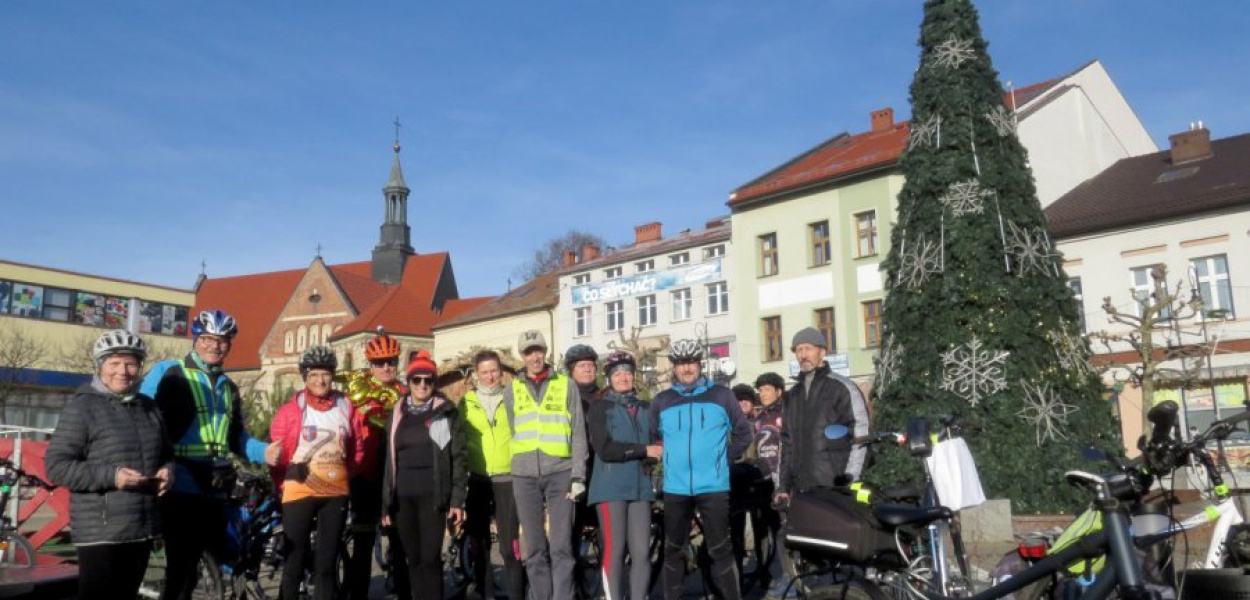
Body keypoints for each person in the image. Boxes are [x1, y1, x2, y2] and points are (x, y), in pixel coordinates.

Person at [140, 309, 268, 600]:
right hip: (180, 480)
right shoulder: (168, 372)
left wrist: (267, 451)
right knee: (182, 567)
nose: (215, 345)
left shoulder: (228, 387)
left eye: (222, 340)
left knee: (217, 557)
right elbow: (142, 418)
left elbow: (237, 439)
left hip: (216, 482)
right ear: (195, 339)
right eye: (208, 338)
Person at [46, 330, 174, 600]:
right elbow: (57, 466)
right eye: (114, 363)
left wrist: (167, 471)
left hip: (141, 528)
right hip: (100, 532)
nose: (123, 371)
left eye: (131, 363)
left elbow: (165, 453)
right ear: (100, 366)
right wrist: (113, 477)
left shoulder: (148, 407)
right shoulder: (83, 407)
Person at [650, 339, 752, 600]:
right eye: (681, 364)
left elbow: (743, 434)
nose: (686, 369)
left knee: (720, 550)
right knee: (673, 550)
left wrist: (721, 460)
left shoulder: (721, 395)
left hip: (714, 487)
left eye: (691, 363)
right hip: (676, 487)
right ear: (674, 367)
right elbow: (653, 440)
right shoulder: (662, 400)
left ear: (700, 364)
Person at [265, 346, 367, 600]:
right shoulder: (290, 411)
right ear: (305, 378)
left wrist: (345, 475)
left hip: (335, 493)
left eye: (326, 374)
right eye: (313, 375)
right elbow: (276, 456)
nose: (320, 381)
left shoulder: (346, 407)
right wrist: (283, 484)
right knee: (294, 562)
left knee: (326, 565)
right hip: (299, 491)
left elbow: (357, 448)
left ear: (332, 376)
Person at [504, 329, 589, 600]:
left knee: (562, 546)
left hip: (560, 474)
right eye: (529, 352)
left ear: (545, 352)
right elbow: (512, 426)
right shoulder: (512, 389)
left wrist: (579, 476)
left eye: (538, 350)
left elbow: (578, 432)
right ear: (522, 355)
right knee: (534, 548)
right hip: (524, 476)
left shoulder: (566, 384)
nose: (534, 356)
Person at [381, 350, 468, 599]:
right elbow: (388, 459)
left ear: (434, 382)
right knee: (413, 560)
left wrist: (457, 500)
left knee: (430, 560)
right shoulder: (397, 413)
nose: (422, 385)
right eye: (416, 380)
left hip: (433, 497)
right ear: (408, 383)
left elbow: (458, 458)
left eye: (428, 380)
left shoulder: (445, 412)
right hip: (403, 499)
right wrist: (386, 503)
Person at [586, 351, 661, 600]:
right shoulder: (600, 408)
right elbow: (605, 448)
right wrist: (643, 450)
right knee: (614, 550)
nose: (623, 377)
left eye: (627, 373)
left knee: (641, 551)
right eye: (617, 374)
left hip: (641, 486)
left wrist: (657, 449)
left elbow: (658, 440)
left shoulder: (647, 408)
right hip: (610, 487)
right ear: (609, 379)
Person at [345, 328, 411, 600]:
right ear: (370, 365)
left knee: (399, 541)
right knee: (362, 542)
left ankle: (403, 592)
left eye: (391, 361)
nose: (386, 367)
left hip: (397, 478)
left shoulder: (407, 393)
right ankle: (357, 594)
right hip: (366, 477)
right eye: (379, 363)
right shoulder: (357, 394)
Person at [774, 327, 870, 507]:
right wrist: (783, 486)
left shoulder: (842, 388)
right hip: (801, 488)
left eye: (808, 348)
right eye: (799, 350)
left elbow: (860, 436)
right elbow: (786, 444)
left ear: (822, 352)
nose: (803, 355)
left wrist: (850, 479)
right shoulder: (792, 395)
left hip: (834, 485)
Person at [462, 349, 526, 600]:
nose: (490, 376)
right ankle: (485, 592)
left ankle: (516, 594)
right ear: (476, 374)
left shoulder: (514, 397)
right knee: (480, 543)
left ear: (501, 372)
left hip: (508, 478)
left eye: (494, 371)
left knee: (510, 547)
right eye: (484, 372)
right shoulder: (465, 402)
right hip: (477, 479)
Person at [753, 372, 797, 600]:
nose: (763, 394)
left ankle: (794, 578)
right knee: (775, 530)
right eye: (760, 390)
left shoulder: (787, 413)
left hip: (785, 481)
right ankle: (787, 575)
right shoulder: (760, 419)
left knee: (788, 530)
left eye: (767, 389)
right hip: (766, 482)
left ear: (779, 391)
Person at [563, 343, 600, 595]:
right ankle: (573, 586)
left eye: (591, 365)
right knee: (569, 536)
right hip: (572, 474)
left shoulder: (605, 396)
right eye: (582, 366)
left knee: (606, 535)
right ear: (571, 371)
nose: (587, 370)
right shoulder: (565, 397)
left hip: (601, 472)